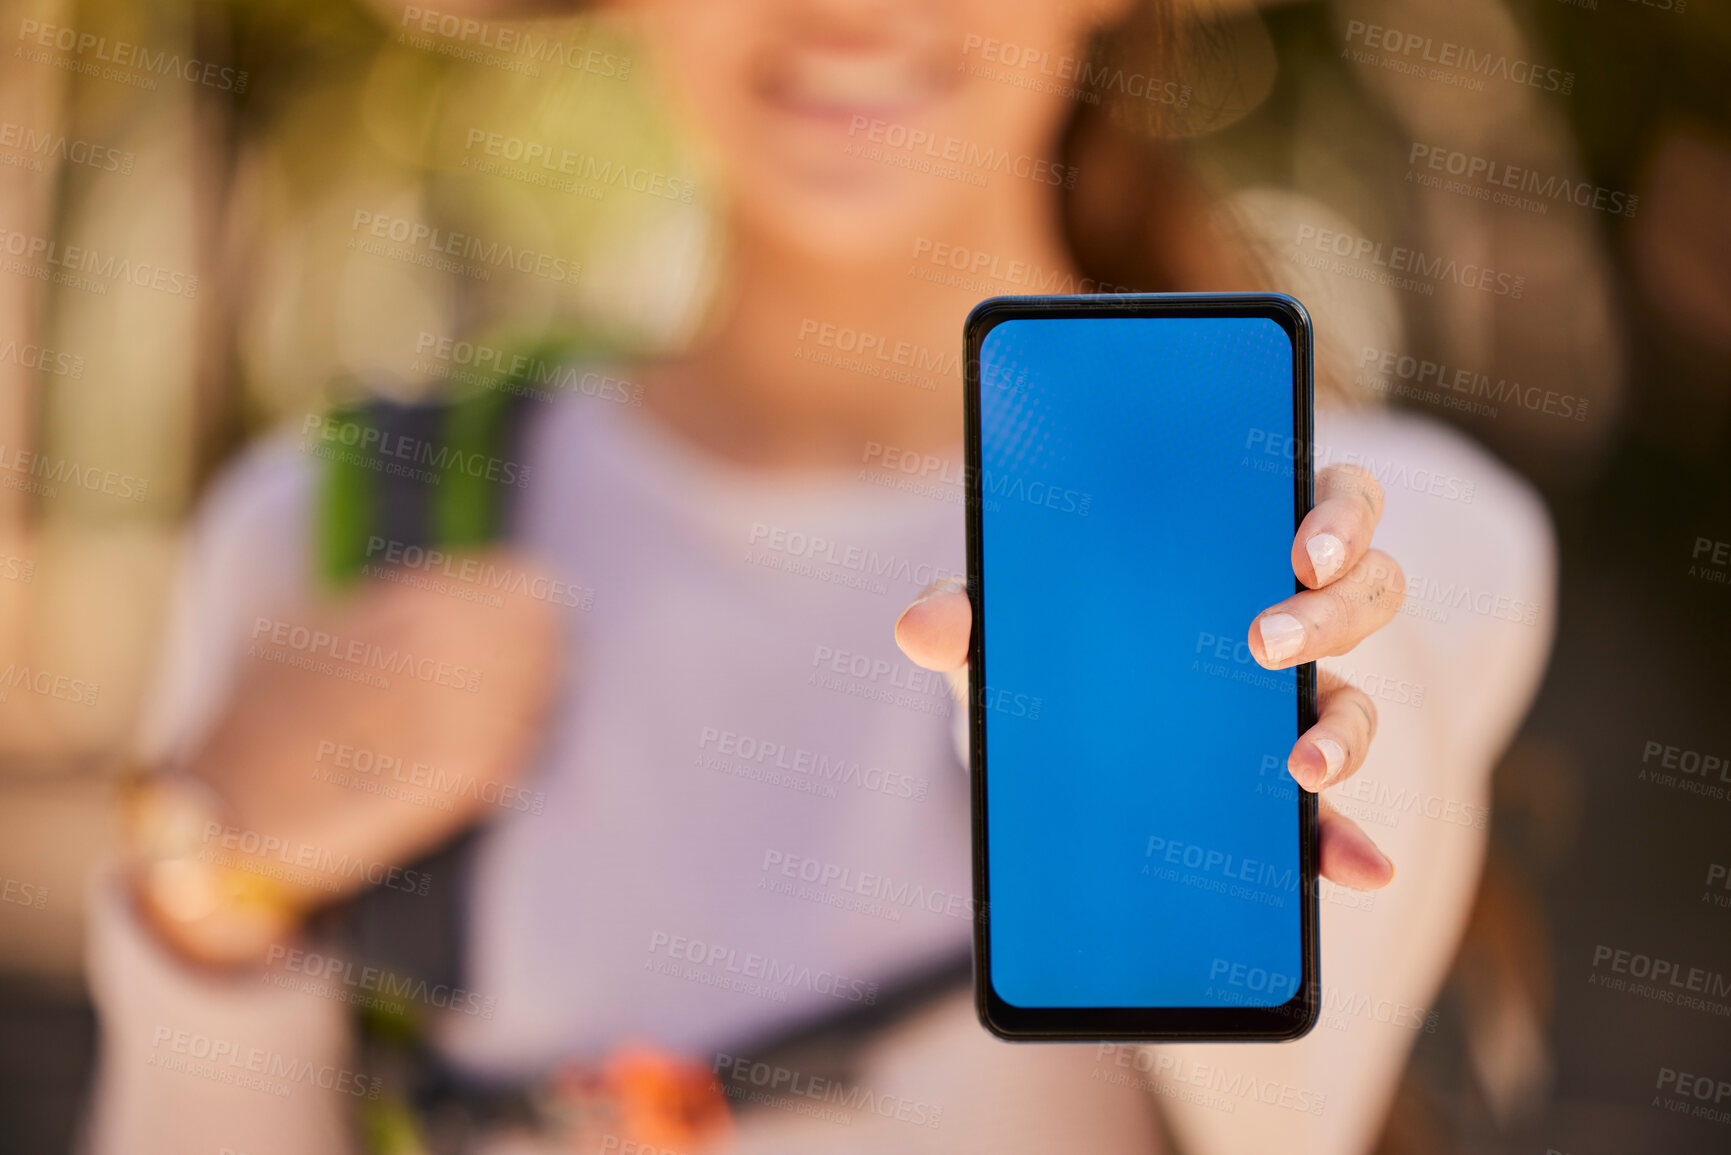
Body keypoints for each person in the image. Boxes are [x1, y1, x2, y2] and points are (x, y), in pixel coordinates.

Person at [83, 1, 1555, 1152]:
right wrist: (211, 885)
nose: (849, 8)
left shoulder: (1396, 538)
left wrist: (1193, 715)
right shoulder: (323, 529)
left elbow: (1291, 1098)